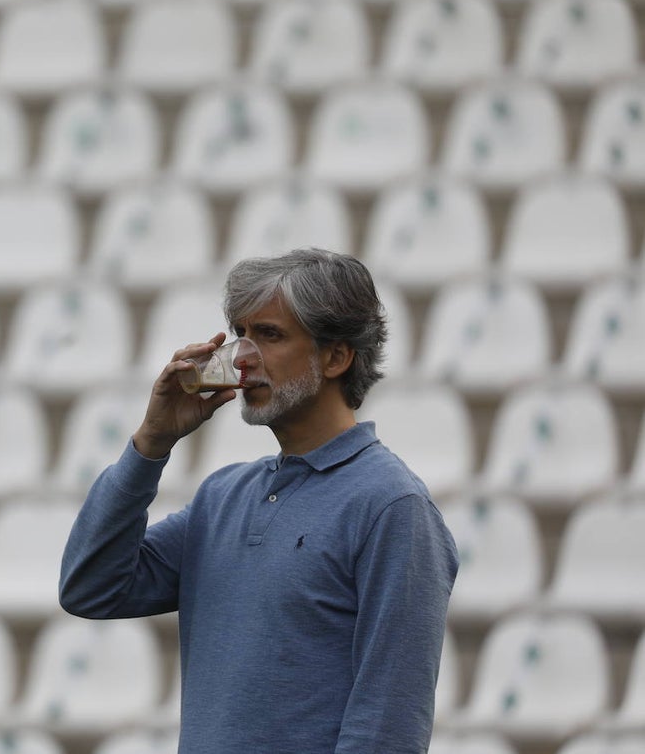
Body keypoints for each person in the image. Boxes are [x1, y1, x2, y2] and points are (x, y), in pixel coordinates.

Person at [59, 248, 459, 753]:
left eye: (269, 335)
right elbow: (90, 589)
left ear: (336, 357)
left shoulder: (392, 506)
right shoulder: (222, 497)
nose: (243, 358)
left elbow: (388, 728)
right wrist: (150, 446)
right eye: (241, 334)